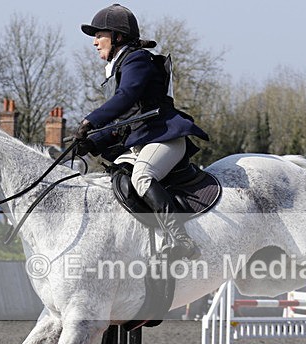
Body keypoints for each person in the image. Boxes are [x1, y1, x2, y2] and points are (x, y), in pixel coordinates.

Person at [75, 3, 209, 260]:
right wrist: (91, 142)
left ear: (117, 37)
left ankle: (181, 239)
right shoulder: (117, 69)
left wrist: (90, 121)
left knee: (142, 177)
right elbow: (124, 124)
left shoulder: (137, 59)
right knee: (114, 180)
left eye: (99, 35)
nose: (94, 43)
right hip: (142, 142)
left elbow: (127, 97)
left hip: (164, 137)